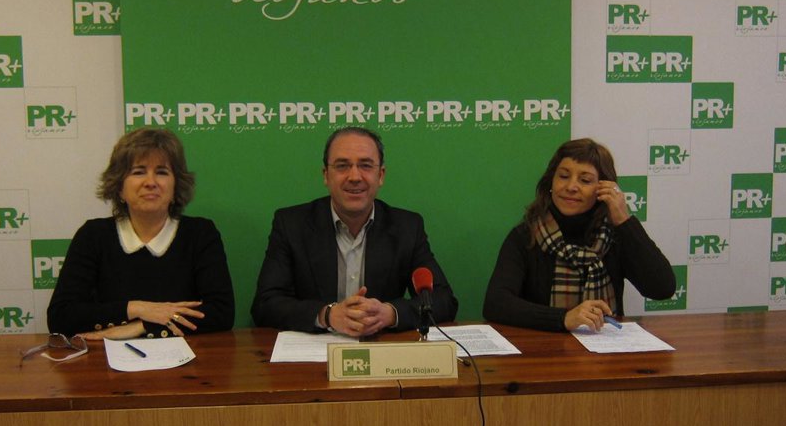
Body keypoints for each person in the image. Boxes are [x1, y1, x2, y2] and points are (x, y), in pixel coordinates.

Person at [251, 126, 457, 336]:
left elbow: (444, 300)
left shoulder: (407, 227)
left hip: (380, 349)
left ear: (380, 175)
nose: (355, 176)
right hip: (314, 349)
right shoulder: (291, 224)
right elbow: (265, 305)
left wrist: (389, 313)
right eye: (342, 166)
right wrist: (327, 315)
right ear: (326, 175)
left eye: (365, 165)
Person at [47, 128, 234, 339]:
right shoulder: (93, 235)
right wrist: (136, 309)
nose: (150, 182)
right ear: (119, 188)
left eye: (162, 172)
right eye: (138, 172)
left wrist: (143, 326)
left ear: (176, 187)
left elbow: (221, 313)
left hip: (184, 357)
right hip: (105, 357)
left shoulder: (200, 233)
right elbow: (61, 317)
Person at [483, 138, 675, 333]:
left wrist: (624, 221)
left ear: (602, 188)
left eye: (585, 180)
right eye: (563, 176)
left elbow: (662, 288)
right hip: (544, 344)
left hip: (607, 345)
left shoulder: (615, 236)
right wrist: (564, 318)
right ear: (551, 182)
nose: (571, 187)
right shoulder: (526, 236)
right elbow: (495, 304)